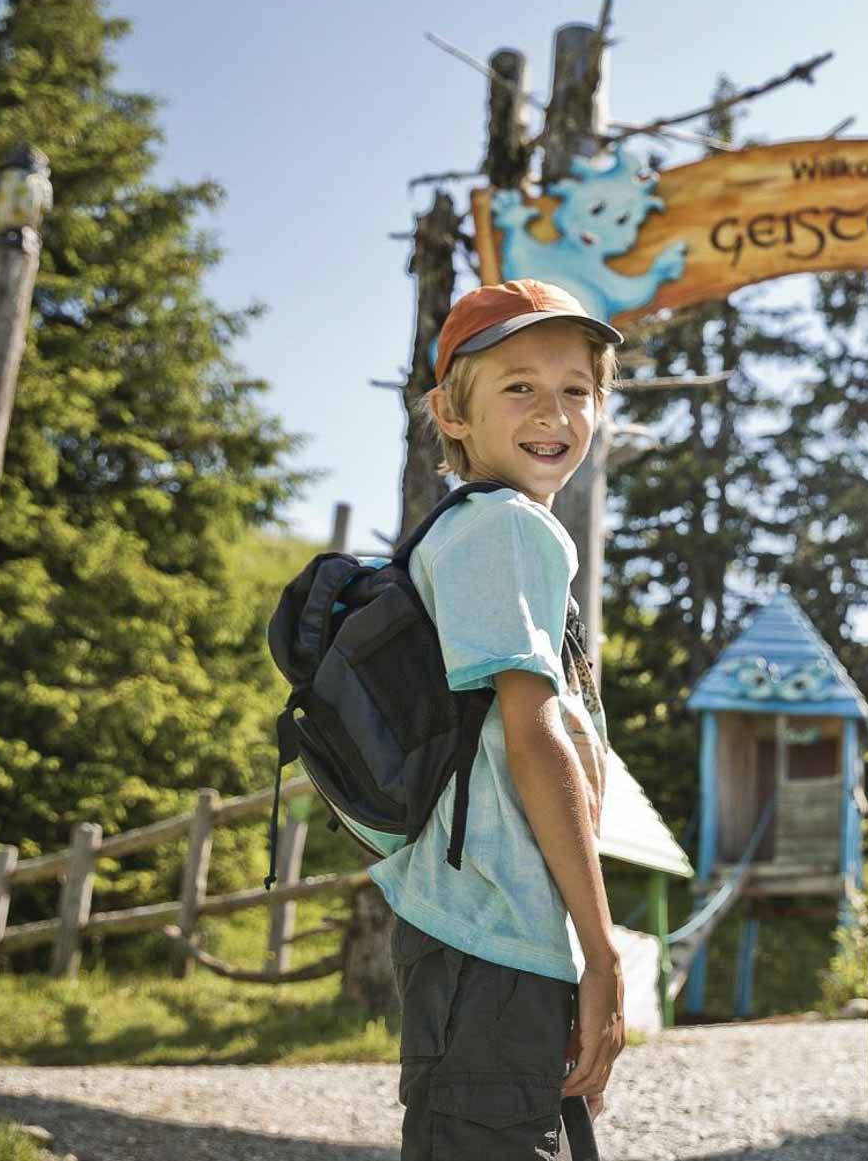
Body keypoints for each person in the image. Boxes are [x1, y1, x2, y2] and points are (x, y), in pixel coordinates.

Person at [369, 278, 627, 1160]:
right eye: (518, 385)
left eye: (576, 389)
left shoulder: (469, 527)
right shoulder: (508, 527)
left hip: (481, 929)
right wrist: (604, 950)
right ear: (451, 412)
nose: (552, 410)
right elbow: (533, 732)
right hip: (496, 932)